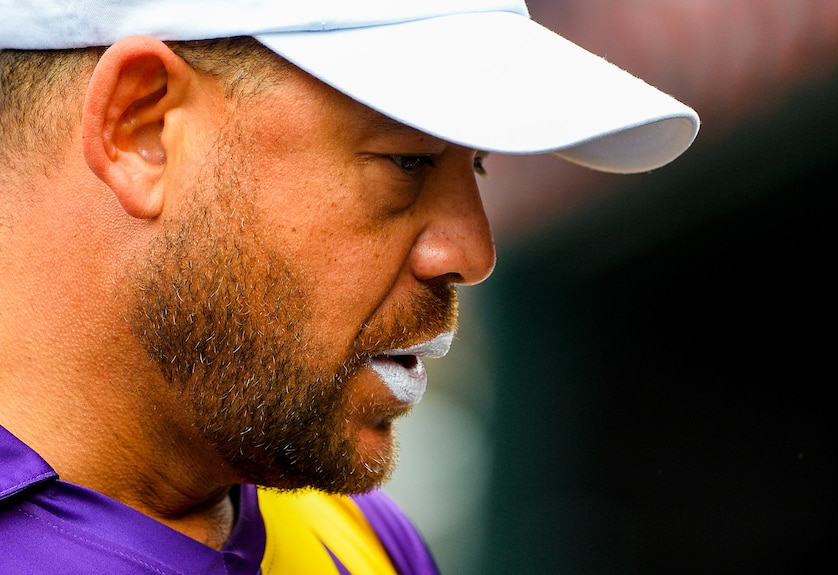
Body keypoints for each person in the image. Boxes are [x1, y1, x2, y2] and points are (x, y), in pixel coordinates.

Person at [0, 1, 698, 573]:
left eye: (476, 166)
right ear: (142, 126)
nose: (472, 252)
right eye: (408, 160)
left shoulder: (353, 534)